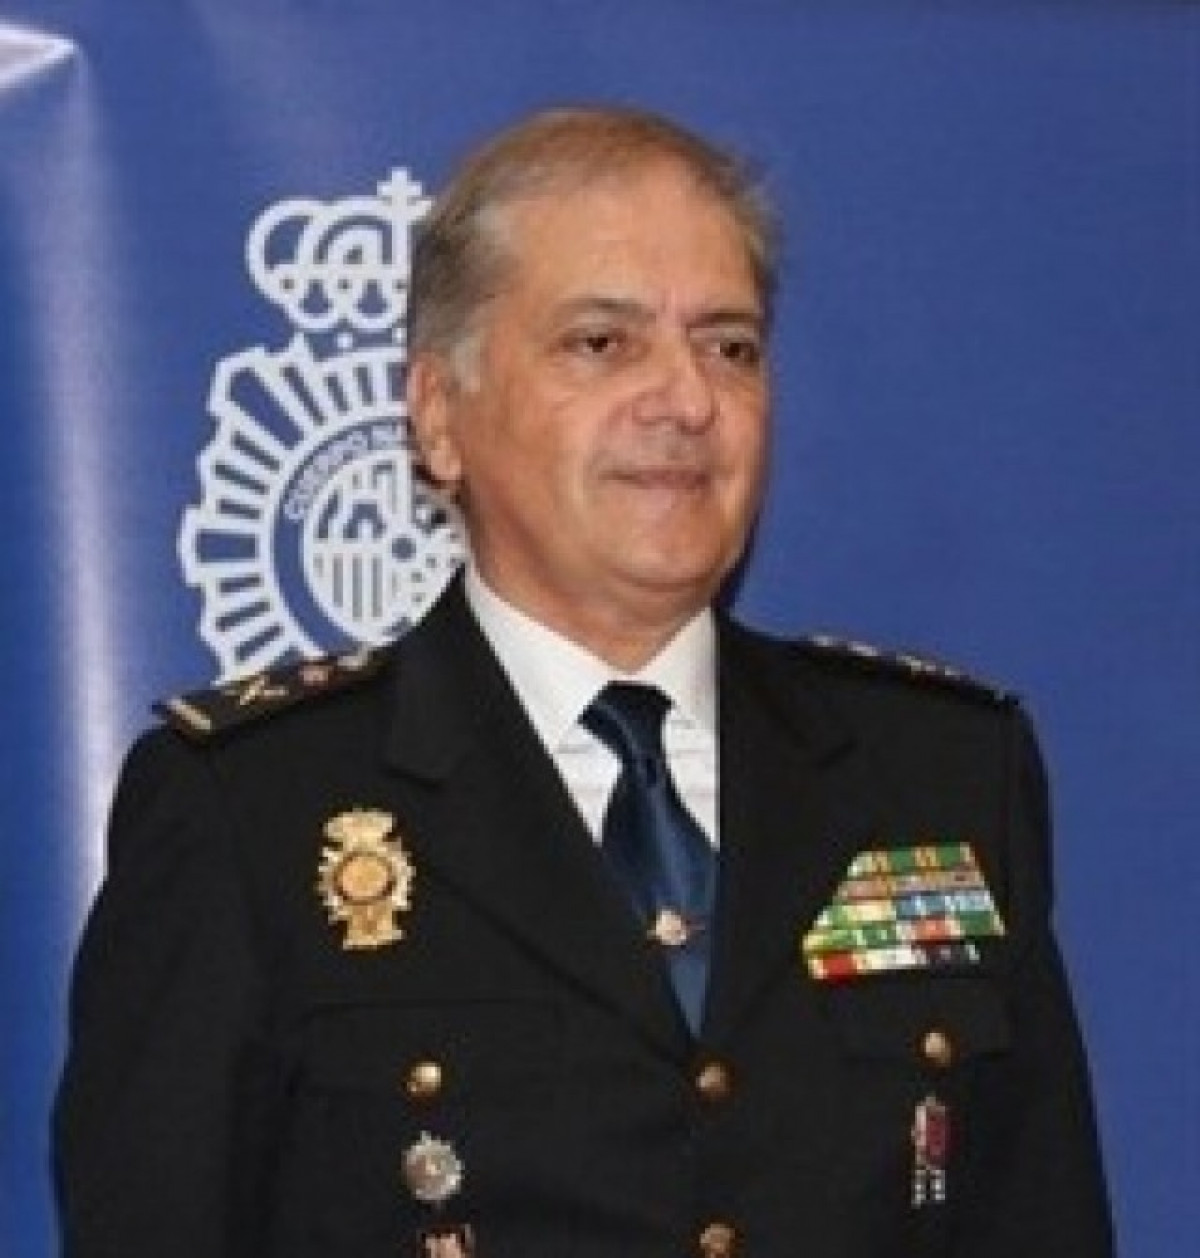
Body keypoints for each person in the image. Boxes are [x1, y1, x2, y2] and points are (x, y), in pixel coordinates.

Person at [54, 106, 1113, 1257]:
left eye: (729, 346)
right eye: (603, 343)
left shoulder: (939, 772)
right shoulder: (248, 808)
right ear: (438, 417)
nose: (688, 400)